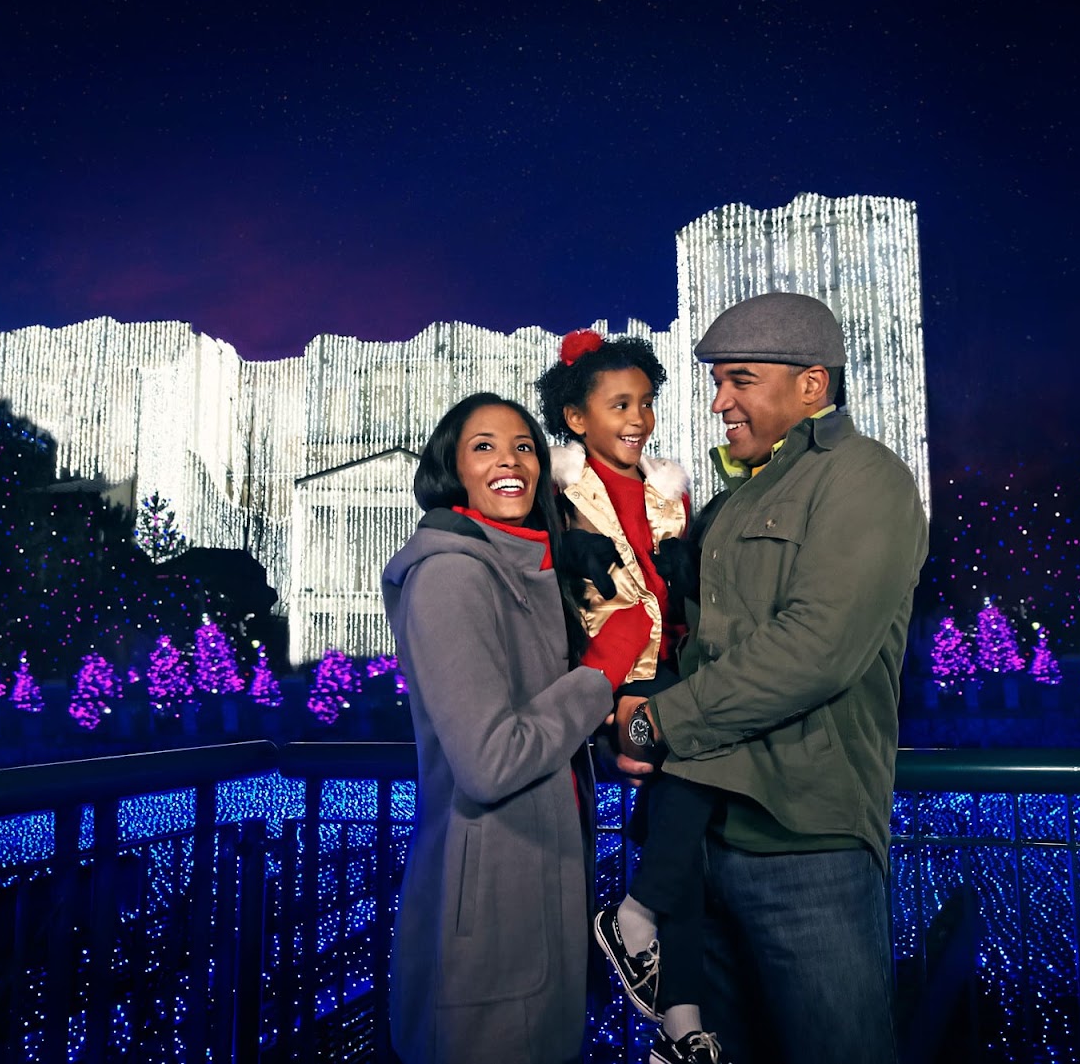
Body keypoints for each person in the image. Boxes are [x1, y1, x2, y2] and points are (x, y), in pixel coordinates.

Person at [607, 292, 929, 1064]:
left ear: (812, 384)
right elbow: (691, 648)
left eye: (741, 380)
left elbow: (816, 648)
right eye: (718, 382)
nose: (720, 402)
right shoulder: (728, 503)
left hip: (807, 846)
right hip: (701, 851)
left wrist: (657, 722)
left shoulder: (867, 479)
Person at [381, 393, 623, 1064]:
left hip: (536, 878)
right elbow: (490, 760)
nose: (509, 460)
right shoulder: (451, 576)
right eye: (483, 446)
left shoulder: (522, 568)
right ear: (452, 469)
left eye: (523, 446)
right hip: (492, 893)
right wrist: (601, 673)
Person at [534, 329, 725, 1064]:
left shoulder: (668, 490)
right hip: (617, 672)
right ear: (576, 417)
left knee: (684, 835)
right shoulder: (554, 490)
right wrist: (562, 546)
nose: (639, 418)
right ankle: (633, 915)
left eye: (646, 402)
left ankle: (681, 1023)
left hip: (676, 665)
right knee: (706, 761)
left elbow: (680, 599)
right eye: (620, 404)